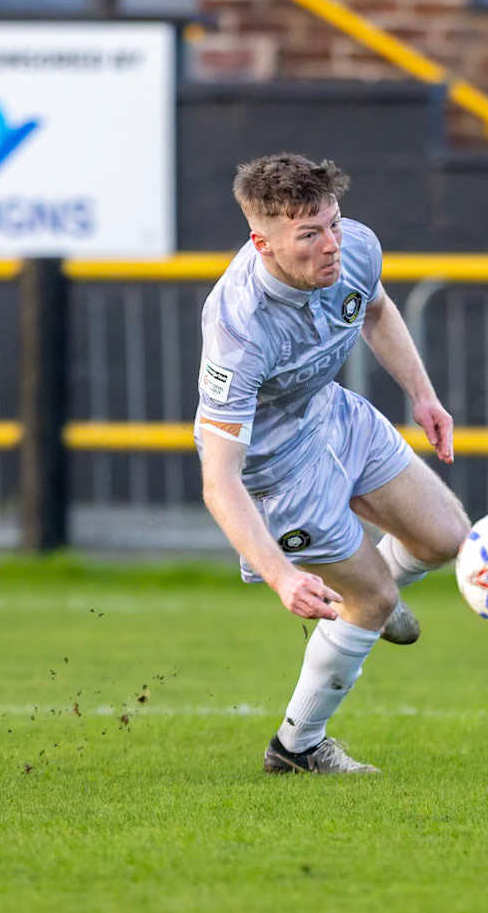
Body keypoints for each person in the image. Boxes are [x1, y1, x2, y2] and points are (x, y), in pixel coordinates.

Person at [196, 154, 470, 774]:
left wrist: (423, 395)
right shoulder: (237, 329)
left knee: (448, 537)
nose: (332, 246)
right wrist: (281, 577)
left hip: (336, 415)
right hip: (275, 470)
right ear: (261, 243)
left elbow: (374, 309)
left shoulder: (355, 248)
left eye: (335, 223)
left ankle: (370, 590)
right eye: (310, 235)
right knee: (370, 603)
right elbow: (220, 481)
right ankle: (296, 748)